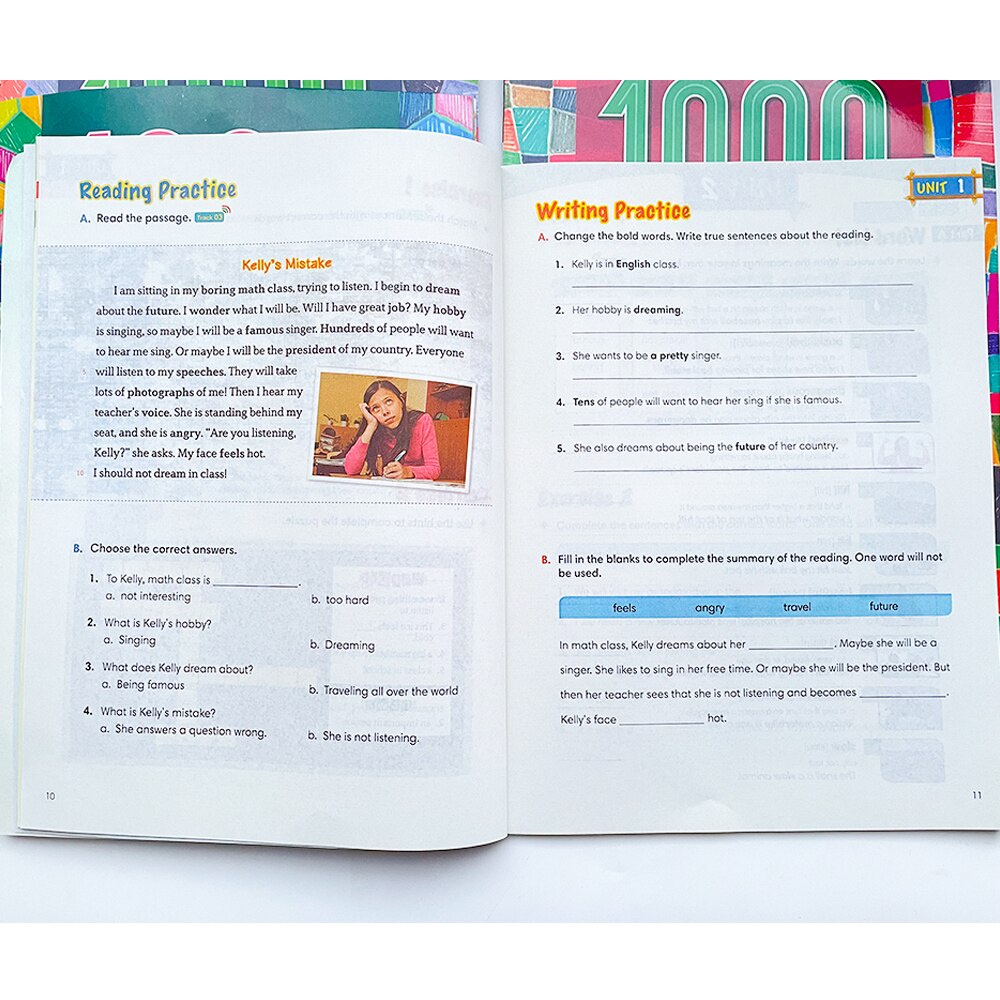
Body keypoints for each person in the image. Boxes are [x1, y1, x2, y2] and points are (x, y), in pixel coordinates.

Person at [343, 380, 441, 480]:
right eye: (376, 408)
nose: (385, 412)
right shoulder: (377, 430)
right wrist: (371, 425)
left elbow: (434, 469)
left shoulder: (421, 421)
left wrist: (407, 471)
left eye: (389, 401)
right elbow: (350, 469)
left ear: (401, 401)